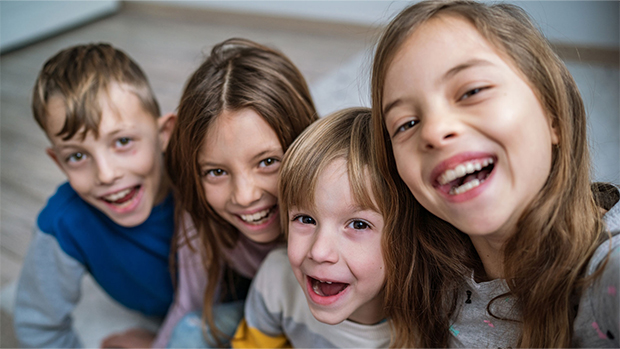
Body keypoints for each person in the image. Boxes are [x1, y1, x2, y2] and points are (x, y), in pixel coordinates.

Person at [370, 1, 619, 347]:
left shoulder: (610, 274)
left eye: (472, 91)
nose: (433, 131)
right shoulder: (427, 285)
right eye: (406, 124)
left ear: (553, 117)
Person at [147, 38, 318, 348]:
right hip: (273, 316)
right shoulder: (200, 209)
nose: (244, 195)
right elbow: (189, 306)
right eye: (217, 172)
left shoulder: (340, 189)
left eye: (267, 162)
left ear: (305, 145)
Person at [13, 43, 177, 348]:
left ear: (164, 134)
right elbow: (39, 327)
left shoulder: (204, 178)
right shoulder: (63, 224)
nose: (105, 174)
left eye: (123, 141)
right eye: (77, 156)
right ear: (58, 161)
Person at [231, 107, 391, 348]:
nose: (319, 251)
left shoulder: (440, 319)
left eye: (358, 224)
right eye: (306, 219)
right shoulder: (277, 278)